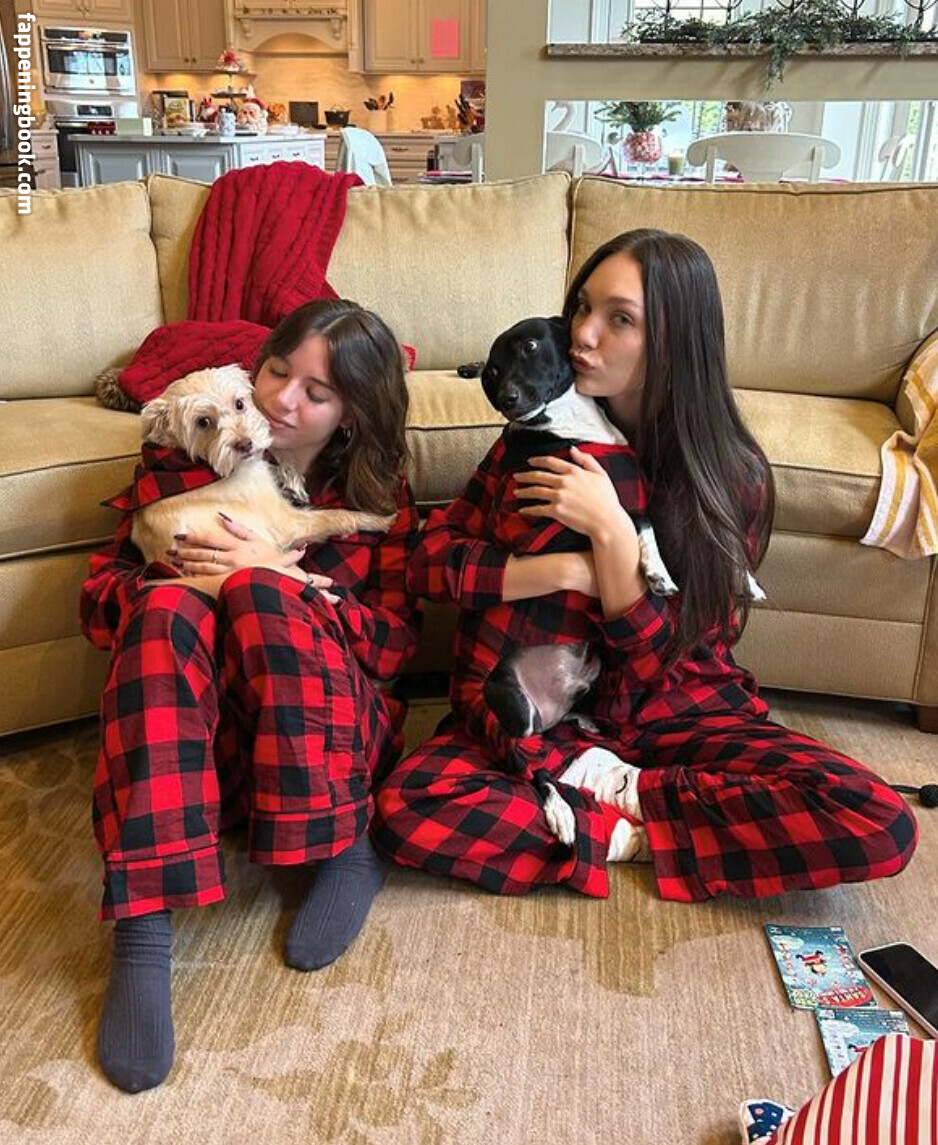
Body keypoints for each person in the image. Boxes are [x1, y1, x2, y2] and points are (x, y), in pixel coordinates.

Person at [373, 228, 917, 904]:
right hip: (552, 719)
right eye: (582, 307)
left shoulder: (730, 476)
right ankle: (638, 824)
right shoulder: (538, 439)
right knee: (407, 804)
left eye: (619, 319)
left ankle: (616, 813)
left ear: (674, 342)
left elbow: (667, 659)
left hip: (678, 711)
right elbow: (428, 563)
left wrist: (610, 535)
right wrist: (563, 573)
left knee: (875, 819)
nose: (583, 335)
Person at [81, 299, 421, 1093]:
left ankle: (346, 844)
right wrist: (179, 578)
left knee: (266, 596)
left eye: (317, 392)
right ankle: (142, 922)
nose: (281, 400)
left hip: (334, 739)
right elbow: (95, 604)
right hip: (212, 746)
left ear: (350, 413)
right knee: (160, 609)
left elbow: (396, 646)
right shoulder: (176, 470)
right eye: (275, 371)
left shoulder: (379, 494)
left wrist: (277, 577)